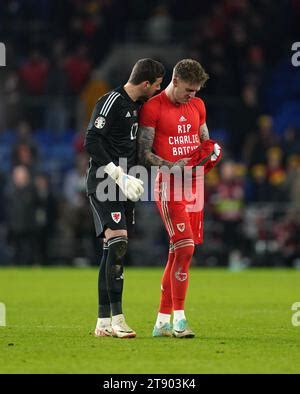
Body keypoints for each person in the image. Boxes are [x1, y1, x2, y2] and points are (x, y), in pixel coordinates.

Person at [138, 59, 221, 338]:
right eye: (188, 90)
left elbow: (204, 142)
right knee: (185, 249)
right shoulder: (153, 108)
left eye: (196, 91)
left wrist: (212, 153)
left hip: (194, 186)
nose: (192, 96)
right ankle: (179, 320)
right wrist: (171, 166)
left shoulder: (198, 106)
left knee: (177, 253)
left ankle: (161, 321)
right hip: (169, 186)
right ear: (175, 81)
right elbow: (144, 153)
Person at [85, 58, 165, 338]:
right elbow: (91, 140)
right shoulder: (110, 101)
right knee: (119, 244)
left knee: (111, 251)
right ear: (145, 83)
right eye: (156, 85)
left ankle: (102, 323)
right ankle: (118, 318)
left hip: (126, 187)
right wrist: (117, 174)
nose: (157, 90)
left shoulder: (138, 107)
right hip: (104, 183)